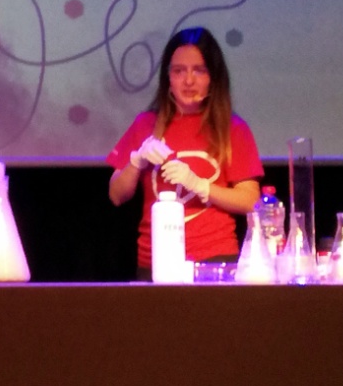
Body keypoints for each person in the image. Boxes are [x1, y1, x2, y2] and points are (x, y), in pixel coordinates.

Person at [107, 26, 263, 278]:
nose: (188, 81)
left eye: (199, 70)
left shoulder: (232, 128)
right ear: (168, 77)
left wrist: (200, 186)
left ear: (213, 76)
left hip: (214, 261)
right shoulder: (146, 124)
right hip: (154, 261)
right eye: (179, 71)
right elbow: (116, 195)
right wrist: (136, 161)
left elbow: (250, 201)